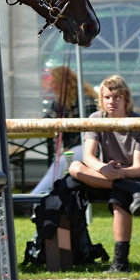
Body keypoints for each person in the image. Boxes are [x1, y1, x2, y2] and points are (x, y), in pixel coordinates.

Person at [66, 75, 140, 273]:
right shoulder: (96, 119)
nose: (111, 102)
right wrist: (103, 168)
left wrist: (117, 172)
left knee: (119, 201)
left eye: (117, 97)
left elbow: (139, 168)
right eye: (107, 97)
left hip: (138, 177)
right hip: (112, 175)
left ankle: (120, 262)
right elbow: (89, 157)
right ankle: (73, 252)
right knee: (74, 168)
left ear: (126, 99)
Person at [31, 65, 98, 195]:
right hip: (73, 148)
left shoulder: (85, 100)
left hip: (90, 147)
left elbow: (90, 131)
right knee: (60, 162)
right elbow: (47, 121)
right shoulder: (60, 102)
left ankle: (34, 198)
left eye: (54, 82)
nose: (51, 86)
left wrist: (69, 149)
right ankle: (41, 198)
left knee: (60, 162)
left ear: (64, 83)